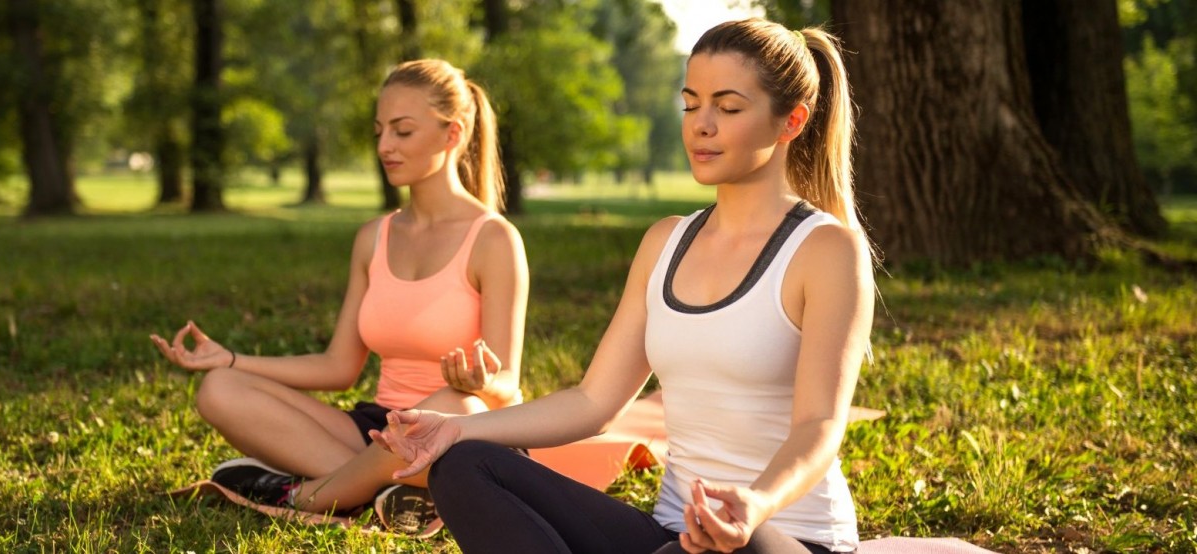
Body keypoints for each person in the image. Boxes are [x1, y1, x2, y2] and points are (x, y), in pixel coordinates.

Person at [372, 20, 872, 553]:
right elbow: (594, 401)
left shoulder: (826, 250)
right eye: (691, 103)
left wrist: (756, 505)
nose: (700, 125)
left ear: (790, 121)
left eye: (727, 108)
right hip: (672, 538)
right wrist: (456, 429)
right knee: (466, 465)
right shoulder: (665, 242)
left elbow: (819, 426)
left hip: (781, 539)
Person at [149, 58, 527, 535]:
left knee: (455, 405)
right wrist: (230, 359)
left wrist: (478, 382)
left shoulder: (494, 239)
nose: (384, 146)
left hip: (464, 432)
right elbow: (338, 367)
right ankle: (393, 492)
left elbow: (509, 385)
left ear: (452, 135)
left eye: (402, 132)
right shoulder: (374, 237)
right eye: (379, 132)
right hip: (376, 430)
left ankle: (300, 494)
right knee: (219, 390)